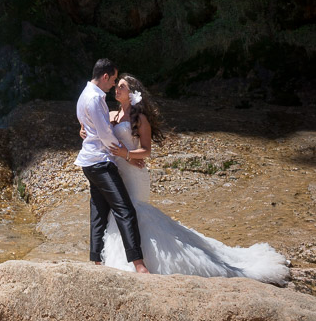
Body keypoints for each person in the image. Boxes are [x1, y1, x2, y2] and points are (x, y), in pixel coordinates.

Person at [99, 73, 290, 283]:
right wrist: (84, 131)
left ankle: (143, 262)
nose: (117, 89)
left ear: (132, 93)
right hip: (118, 172)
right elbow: (94, 130)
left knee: (133, 211)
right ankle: (130, 259)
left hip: (134, 174)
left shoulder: (140, 119)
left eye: (122, 87)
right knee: (120, 213)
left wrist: (126, 155)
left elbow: (146, 151)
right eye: (117, 86)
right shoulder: (111, 115)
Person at [76, 58, 150, 274]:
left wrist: (85, 131)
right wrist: (127, 155)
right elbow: (106, 135)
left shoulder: (86, 95)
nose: (114, 86)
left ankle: (97, 261)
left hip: (93, 161)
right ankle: (139, 265)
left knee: (99, 211)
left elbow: (88, 123)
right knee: (124, 210)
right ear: (105, 76)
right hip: (100, 162)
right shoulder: (94, 99)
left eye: (120, 84)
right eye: (114, 80)